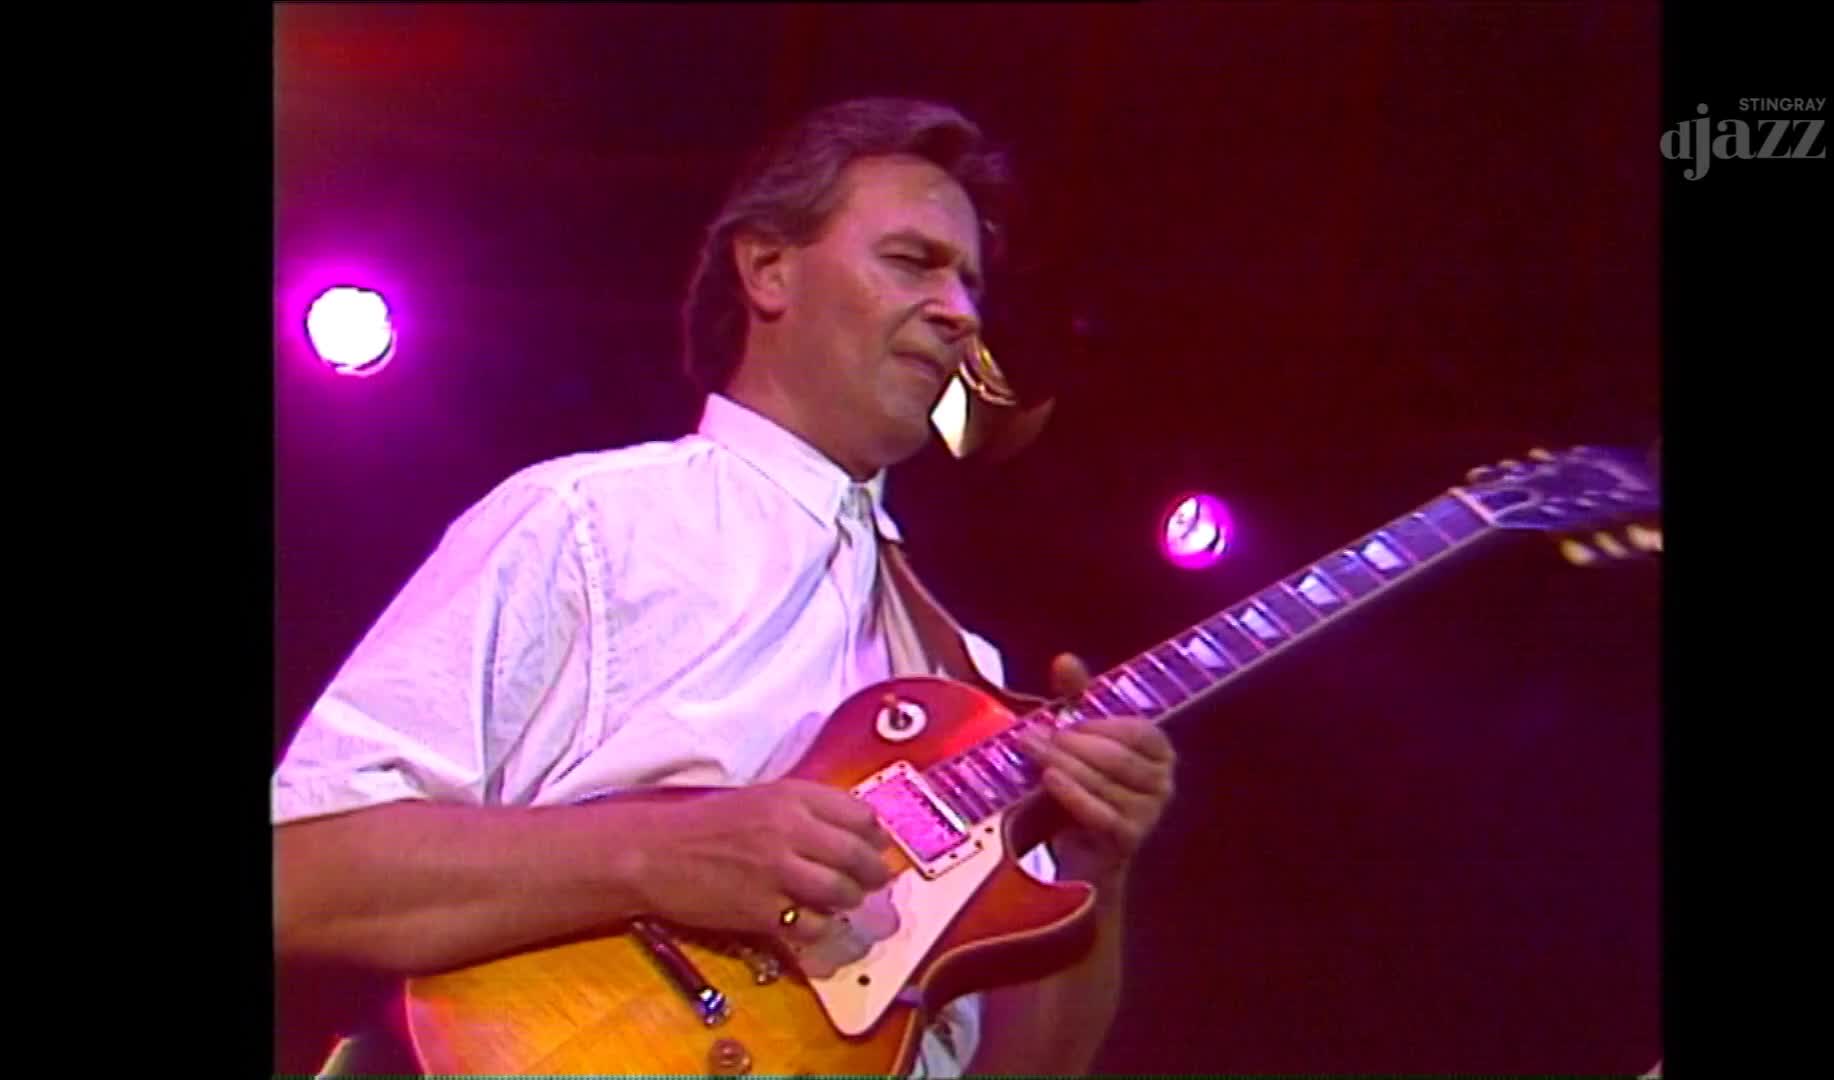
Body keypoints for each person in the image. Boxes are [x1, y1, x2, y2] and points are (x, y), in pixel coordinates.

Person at [272, 96, 1177, 1077]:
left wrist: (1098, 868)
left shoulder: (972, 676)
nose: (962, 313)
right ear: (767, 268)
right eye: (913, 262)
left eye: (970, 282)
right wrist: (664, 856)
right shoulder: (590, 521)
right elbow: (303, 877)